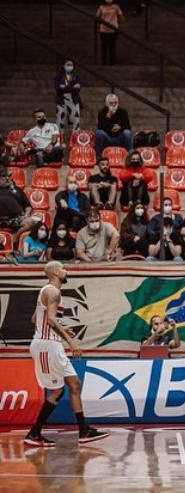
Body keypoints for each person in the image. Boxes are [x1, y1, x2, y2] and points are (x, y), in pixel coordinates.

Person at [25, 261, 108, 447]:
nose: (66, 271)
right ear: (55, 272)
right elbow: (51, 320)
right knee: (57, 390)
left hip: (52, 344)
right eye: (63, 268)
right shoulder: (53, 292)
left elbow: (35, 319)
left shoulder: (47, 292)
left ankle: (84, 431)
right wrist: (70, 341)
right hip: (47, 345)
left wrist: (62, 328)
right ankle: (34, 433)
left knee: (74, 384)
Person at [0, 167, 36, 246]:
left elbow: (28, 206)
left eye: (9, 176)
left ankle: (15, 238)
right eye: (4, 176)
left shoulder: (18, 190)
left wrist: (26, 215)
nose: (7, 178)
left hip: (15, 219)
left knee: (31, 222)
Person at [54, 58, 81, 133]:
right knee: (60, 121)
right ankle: (60, 138)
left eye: (71, 65)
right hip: (61, 101)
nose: (70, 66)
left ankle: (75, 138)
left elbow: (78, 88)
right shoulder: (58, 77)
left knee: (76, 121)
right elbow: (57, 88)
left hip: (74, 101)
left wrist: (65, 88)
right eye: (68, 65)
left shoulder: (77, 77)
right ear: (63, 66)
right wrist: (72, 88)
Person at [96, 0, 123, 65]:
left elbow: (121, 17)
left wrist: (116, 24)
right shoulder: (101, 7)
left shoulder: (116, 7)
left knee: (112, 46)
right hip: (103, 30)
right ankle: (104, 62)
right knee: (104, 47)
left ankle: (112, 62)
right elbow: (97, 17)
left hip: (113, 29)